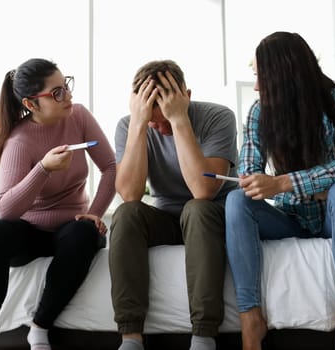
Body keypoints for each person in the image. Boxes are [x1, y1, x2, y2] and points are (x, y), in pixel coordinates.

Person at [225, 32, 335, 350]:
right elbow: (249, 174)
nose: (255, 87)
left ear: (284, 73)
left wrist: (282, 183)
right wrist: (256, 181)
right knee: (236, 199)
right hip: (290, 216)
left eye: (260, 76)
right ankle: (251, 320)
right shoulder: (258, 112)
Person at [0, 58, 116, 350]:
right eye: (57, 92)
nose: (69, 96)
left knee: (84, 233)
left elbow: (111, 167)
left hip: (72, 227)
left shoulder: (79, 117)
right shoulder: (19, 140)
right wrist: (43, 169)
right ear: (32, 104)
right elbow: (7, 209)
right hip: (31, 232)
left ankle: (39, 327)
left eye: (67, 86)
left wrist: (93, 214)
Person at [109, 60, 238, 350]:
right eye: (153, 119)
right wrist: (140, 124)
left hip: (211, 216)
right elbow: (129, 194)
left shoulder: (217, 117)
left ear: (186, 96)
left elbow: (203, 189)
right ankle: (130, 337)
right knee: (126, 214)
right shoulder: (130, 125)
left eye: (164, 117)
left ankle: (204, 335)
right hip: (167, 220)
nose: (160, 126)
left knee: (197, 207)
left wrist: (179, 121)